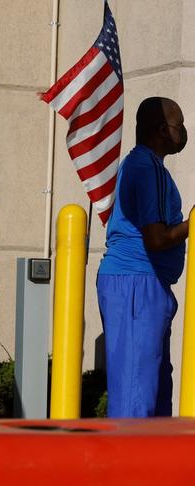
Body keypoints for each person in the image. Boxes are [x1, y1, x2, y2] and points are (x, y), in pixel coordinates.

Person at [97, 97, 190, 418]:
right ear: (164, 130)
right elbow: (156, 238)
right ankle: (127, 465)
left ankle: (152, 463)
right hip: (136, 281)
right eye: (180, 125)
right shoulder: (145, 167)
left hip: (146, 283)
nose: (184, 132)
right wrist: (191, 225)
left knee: (153, 386)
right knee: (137, 391)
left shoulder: (148, 166)